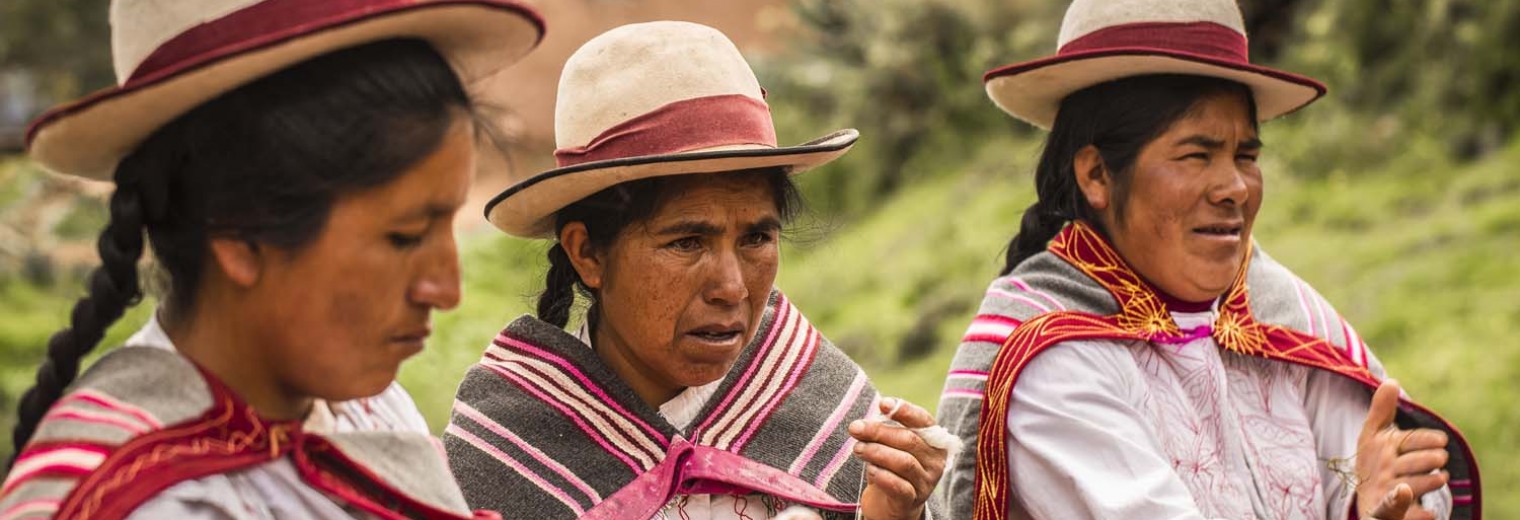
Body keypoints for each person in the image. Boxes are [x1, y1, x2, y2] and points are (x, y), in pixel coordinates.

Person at [933, 0, 1481, 519]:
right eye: (1197, 155)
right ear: (1097, 174)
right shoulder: (1049, 361)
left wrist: (1384, 504)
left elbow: (1372, 478)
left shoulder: (1274, 312)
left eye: (1246, 155)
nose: (1235, 187)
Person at [0, 1, 544, 518]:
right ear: (241, 230)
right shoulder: (147, 502)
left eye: (449, 227)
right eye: (404, 237)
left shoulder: (370, 415)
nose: (447, 289)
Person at [443, 21, 950, 520]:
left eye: (756, 238)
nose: (732, 288)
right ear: (588, 254)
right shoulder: (504, 460)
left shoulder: (831, 417)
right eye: (687, 242)